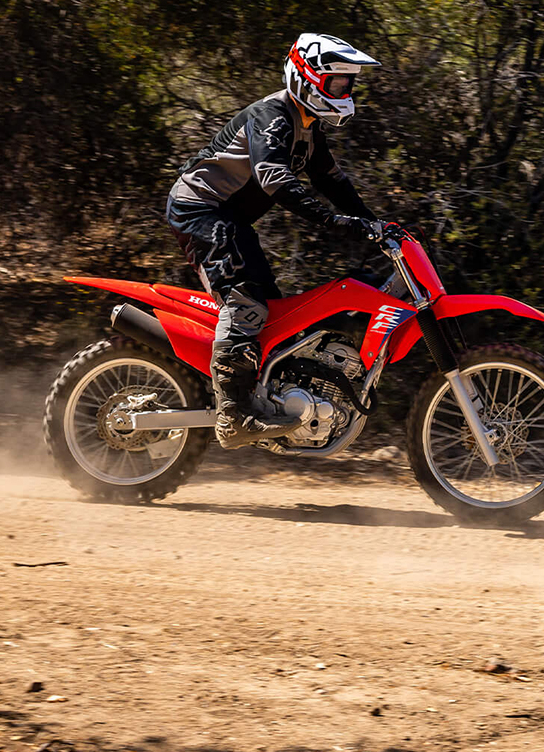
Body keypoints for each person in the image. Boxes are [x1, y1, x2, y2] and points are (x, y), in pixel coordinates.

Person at [165, 33, 385, 448]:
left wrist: (379, 226)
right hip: (200, 209)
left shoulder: (308, 126)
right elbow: (275, 179)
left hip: (229, 218)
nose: (345, 90)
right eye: (337, 82)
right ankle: (233, 417)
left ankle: (266, 397)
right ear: (306, 77)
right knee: (245, 302)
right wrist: (334, 221)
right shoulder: (273, 116)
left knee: (274, 313)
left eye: (348, 83)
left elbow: (333, 181)